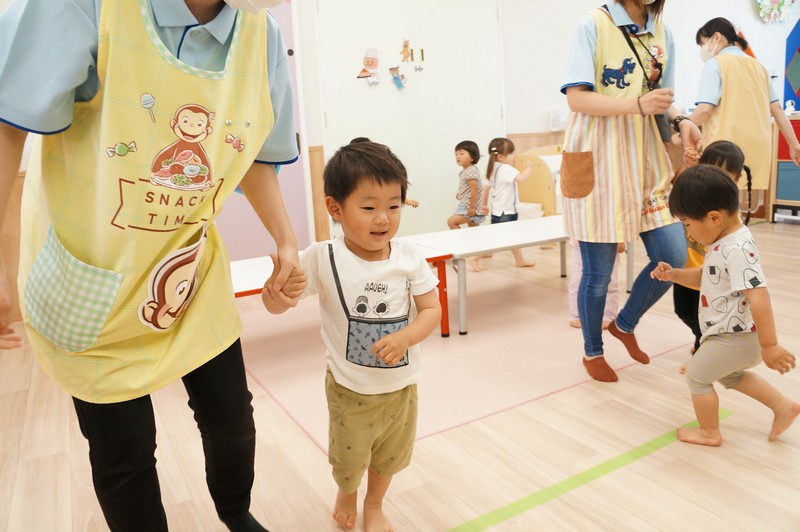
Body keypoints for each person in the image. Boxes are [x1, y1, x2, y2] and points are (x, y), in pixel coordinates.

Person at [0, 1, 305, 530]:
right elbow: (9, 125)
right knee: (125, 451)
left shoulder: (263, 34)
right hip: (90, 276)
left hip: (187, 271)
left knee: (232, 420)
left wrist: (285, 239)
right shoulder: (87, 7)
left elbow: (255, 153)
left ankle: (236, 514)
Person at [262, 140, 441, 531]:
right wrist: (276, 295)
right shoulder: (323, 257)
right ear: (335, 208)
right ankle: (347, 491)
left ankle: (374, 504)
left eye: (394, 206)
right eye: (369, 207)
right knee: (348, 460)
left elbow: (431, 311)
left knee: (389, 457)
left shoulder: (409, 257)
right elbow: (280, 304)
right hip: (349, 390)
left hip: (401, 388)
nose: (383, 219)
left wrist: (406, 338)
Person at [560, 0, 702, 382]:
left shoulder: (662, 31)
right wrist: (637, 104)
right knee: (599, 273)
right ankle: (592, 351)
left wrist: (683, 119)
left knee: (673, 255)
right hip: (599, 156)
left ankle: (624, 324)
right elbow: (576, 97)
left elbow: (662, 98)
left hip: (646, 160)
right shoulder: (592, 24)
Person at [651, 165, 800, 446]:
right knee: (731, 377)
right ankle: (783, 407)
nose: (687, 232)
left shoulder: (736, 249)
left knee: (696, 378)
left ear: (713, 218)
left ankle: (710, 432)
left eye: (687, 224)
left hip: (735, 337)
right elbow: (707, 277)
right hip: (732, 335)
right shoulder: (725, 241)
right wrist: (674, 275)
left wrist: (770, 345)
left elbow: (760, 297)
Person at [686, 17, 800, 208]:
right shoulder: (758, 66)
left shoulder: (716, 64)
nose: (702, 49)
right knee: (736, 200)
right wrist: (794, 144)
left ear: (716, 37)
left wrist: (682, 127)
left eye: (702, 43)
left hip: (725, 144)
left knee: (718, 200)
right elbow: (776, 109)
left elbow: (704, 108)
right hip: (757, 144)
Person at [673, 140, 753, 358]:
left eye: (724, 173)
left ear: (736, 178)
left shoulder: (727, 210)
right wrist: (688, 166)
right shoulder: (694, 193)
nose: (715, 177)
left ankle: (704, 353)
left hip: (711, 275)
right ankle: (701, 341)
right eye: (711, 169)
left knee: (705, 317)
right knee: (683, 311)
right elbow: (678, 188)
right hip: (688, 268)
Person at [474, 137, 535, 271]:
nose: (514, 156)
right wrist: (529, 168)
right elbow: (521, 179)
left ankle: (520, 260)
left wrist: (484, 205)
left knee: (512, 237)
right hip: (506, 212)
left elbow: (486, 188)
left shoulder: (493, 168)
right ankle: (475, 257)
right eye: (512, 153)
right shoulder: (506, 168)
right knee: (498, 239)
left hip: (498, 210)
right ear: (501, 156)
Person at [446, 140, 485, 271]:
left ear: (472, 157)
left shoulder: (470, 171)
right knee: (475, 233)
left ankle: (465, 247)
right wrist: (461, 193)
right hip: (468, 203)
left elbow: (475, 190)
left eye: (462, 153)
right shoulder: (468, 170)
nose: (458, 156)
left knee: (452, 222)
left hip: (468, 205)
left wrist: (472, 208)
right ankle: (475, 257)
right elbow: (470, 188)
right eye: (456, 154)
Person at [568, 240, 624, 330]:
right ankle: (577, 315)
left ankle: (608, 316)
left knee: (611, 283)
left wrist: (620, 241)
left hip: (610, 243)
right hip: (581, 242)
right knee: (577, 280)